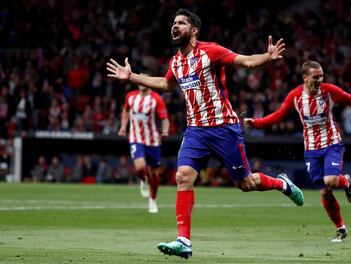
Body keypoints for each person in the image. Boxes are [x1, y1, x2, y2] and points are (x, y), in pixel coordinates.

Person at [106, 8, 304, 259]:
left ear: (194, 30)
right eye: (173, 23)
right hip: (196, 131)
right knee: (183, 176)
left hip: (224, 128)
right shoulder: (175, 62)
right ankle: (184, 241)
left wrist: (267, 56)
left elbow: (246, 61)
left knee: (246, 184)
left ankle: (281, 183)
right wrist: (133, 76)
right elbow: (166, 85)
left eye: (181, 23)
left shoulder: (211, 51)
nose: (174, 26)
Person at [244, 60, 351, 242]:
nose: (320, 79)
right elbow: (277, 116)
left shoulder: (329, 91)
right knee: (324, 192)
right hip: (311, 150)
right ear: (305, 77)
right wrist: (256, 123)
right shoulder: (295, 96)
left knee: (329, 180)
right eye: (316, 77)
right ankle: (341, 228)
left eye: (321, 76)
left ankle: (345, 183)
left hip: (332, 144)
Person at [118, 81, 170, 213]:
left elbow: (164, 118)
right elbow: (125, 111)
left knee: (154, 173)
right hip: (136, 138)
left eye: (144, 79)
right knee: (140, 167)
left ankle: (153, 200)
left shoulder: (156, 99)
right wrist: (123, 127)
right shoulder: (130, 97)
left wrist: (165, 130)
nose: (141, 82)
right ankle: (143, 179)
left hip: (153, 141)